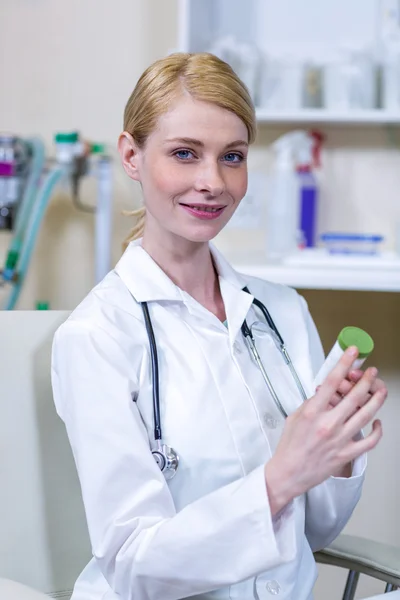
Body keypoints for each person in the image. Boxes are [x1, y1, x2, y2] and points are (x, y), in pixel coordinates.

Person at [51, 52, 388, 600]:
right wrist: (280, 476)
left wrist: (336, 451)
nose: (212, 181)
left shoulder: (282, 312)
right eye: (185, 154)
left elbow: (315, 531)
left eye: (232, 156)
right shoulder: (97, 337)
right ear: (131, 156)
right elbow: (136, 567)